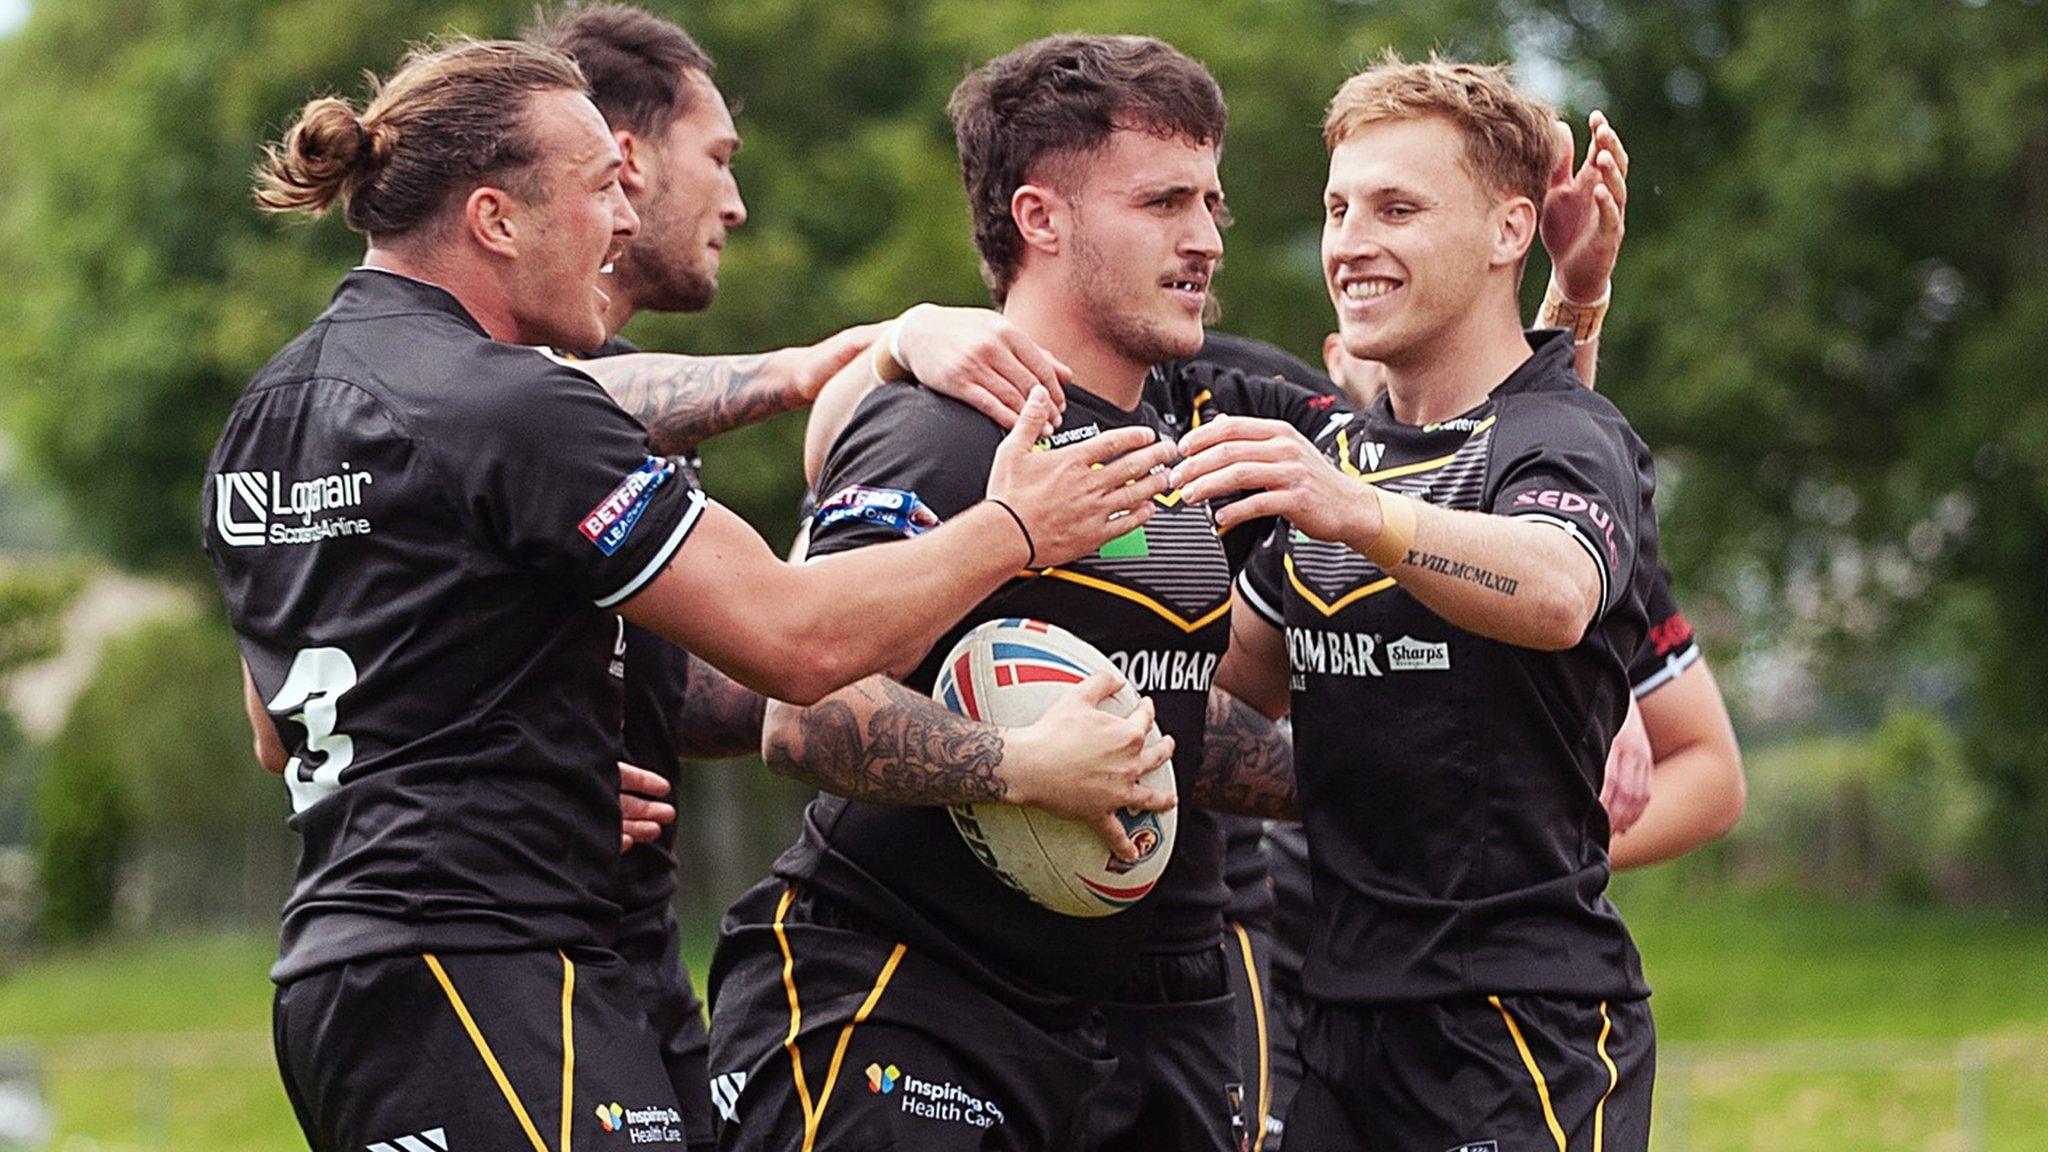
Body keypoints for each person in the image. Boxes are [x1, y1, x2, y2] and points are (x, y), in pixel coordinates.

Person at [208, 36, 1178, 1152]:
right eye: (600, 192)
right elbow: (791, 639)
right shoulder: (514, 404)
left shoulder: (271, 410)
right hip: (484, 964)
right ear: (494, 220)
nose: (622, 223)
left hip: (353, 972)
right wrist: (1015, 530)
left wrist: (517, 751)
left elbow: (280, 728)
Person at [524, 9, 1106, 1146]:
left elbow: (735, 684)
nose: (735, 204)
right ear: (625, 161)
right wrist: (859, 356)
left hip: (625, 963)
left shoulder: (593, 398)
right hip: (489, 966)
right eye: (721, 158)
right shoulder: (476, 390)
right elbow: (525, 403)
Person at [705, 35, 1297, 1152]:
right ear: (1041, 219)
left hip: (1093, 1028)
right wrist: (1019, 773)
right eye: (1164, 202)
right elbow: (801, 713)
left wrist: (1403, 786)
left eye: (1210, 202)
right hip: (891, 999)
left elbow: (1160, 722)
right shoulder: (941, 426)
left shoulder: (1171, 448)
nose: (1206, 239)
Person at [1175, 54, 1664, 1150]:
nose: (1351, 241)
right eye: (1337, 208)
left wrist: (1353, 513)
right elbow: (1229, 698)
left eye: (1397, 208)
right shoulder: (1339, 451)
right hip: (1337, 1031)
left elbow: (1553, 591)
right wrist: (1007, 733)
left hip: (1516, 1032)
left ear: (1506, 233)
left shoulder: (1563, 436)